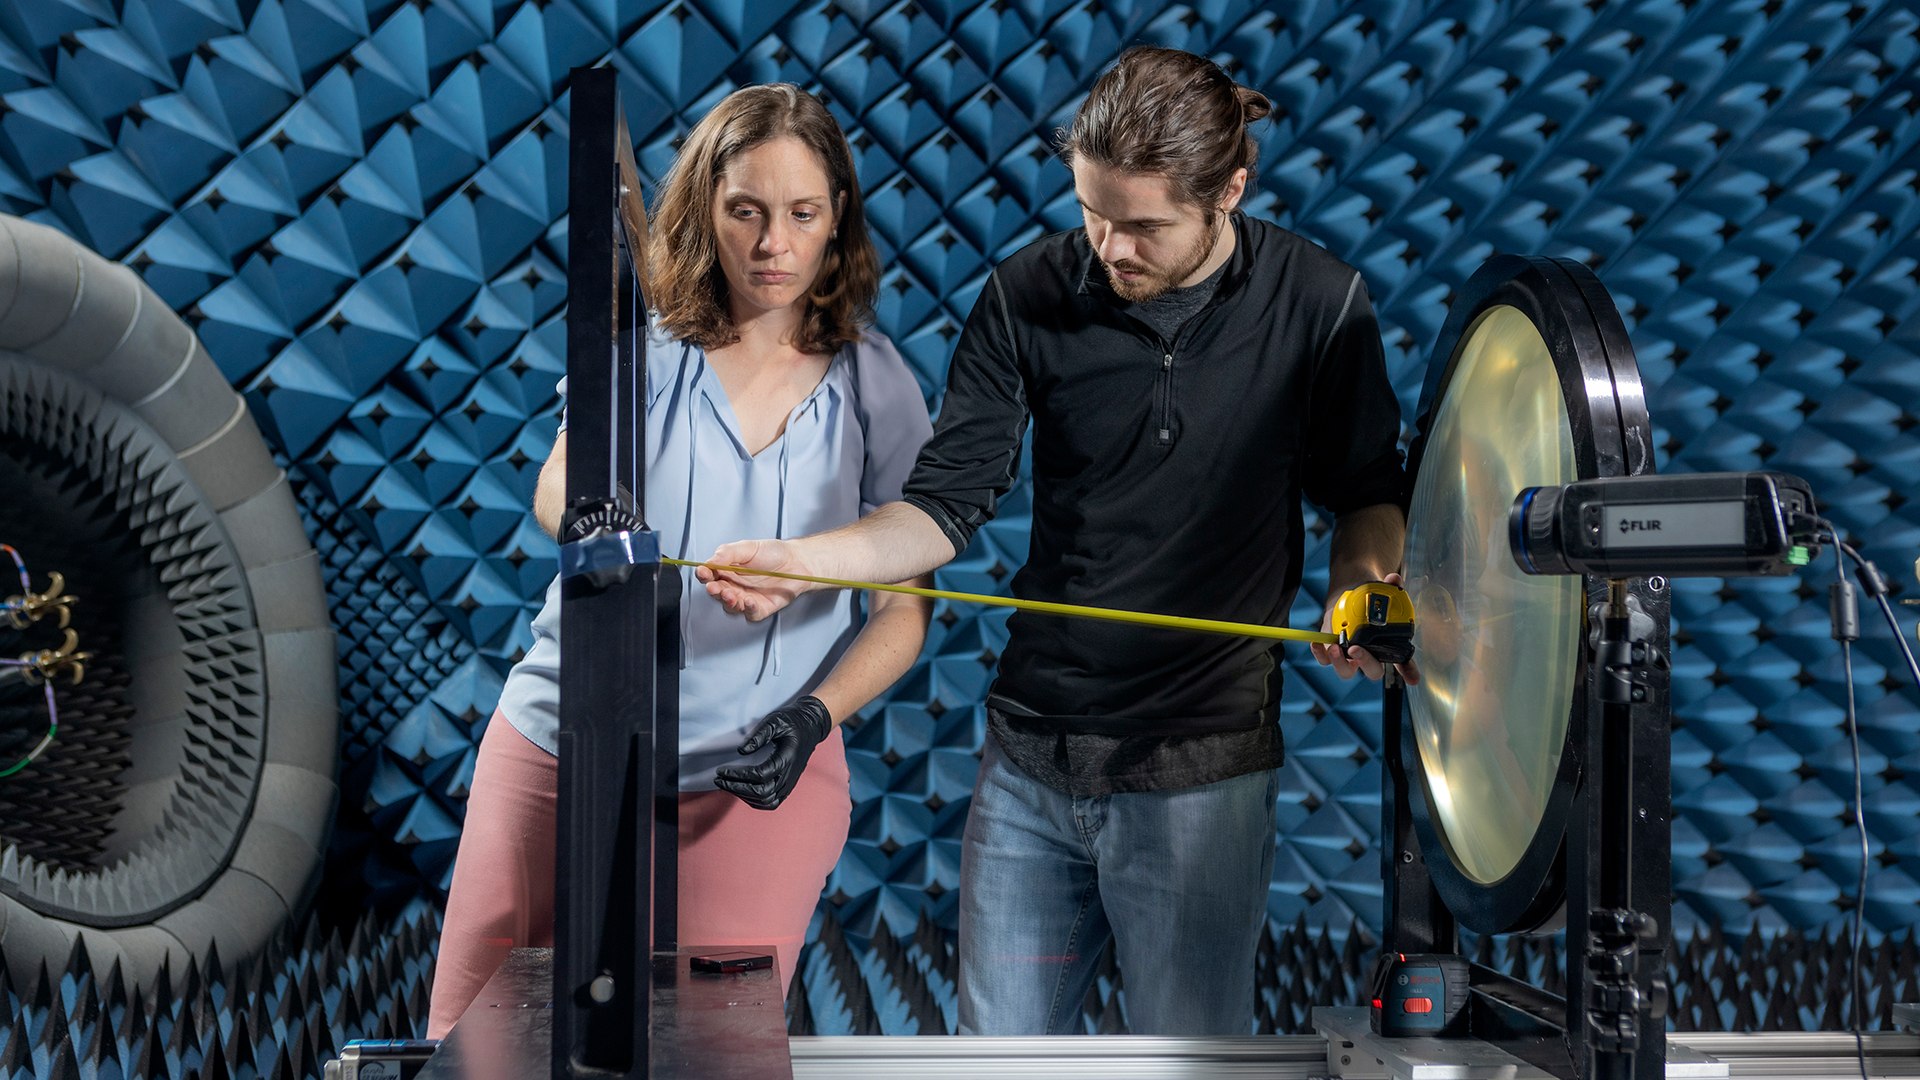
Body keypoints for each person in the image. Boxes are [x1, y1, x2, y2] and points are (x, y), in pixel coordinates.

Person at [696, 47, 1414, 1036]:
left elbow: (1367, 489)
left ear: (1231, 191)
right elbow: (942, 508)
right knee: (997, 1062)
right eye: (1090, 211)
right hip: (1029, 766)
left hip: (1201, 774)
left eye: (1143, 226)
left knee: (1190, 1064)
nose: (1109, 247)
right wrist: (807, 559)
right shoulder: (1028, 293)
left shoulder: (1321, 304)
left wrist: (1363, 596)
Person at [427, 84, 934, 1037]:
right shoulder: (644, 352)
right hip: (560, 745)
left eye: (801, 214)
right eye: (745, 211)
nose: (772, 243)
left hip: (754, 777)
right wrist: (590, 516)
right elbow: (554, 486)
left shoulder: (878, 385)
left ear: (837, 222)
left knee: (707, 1053)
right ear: (707, 208)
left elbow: (904, 610)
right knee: (471, 1044)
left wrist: (814, 715)